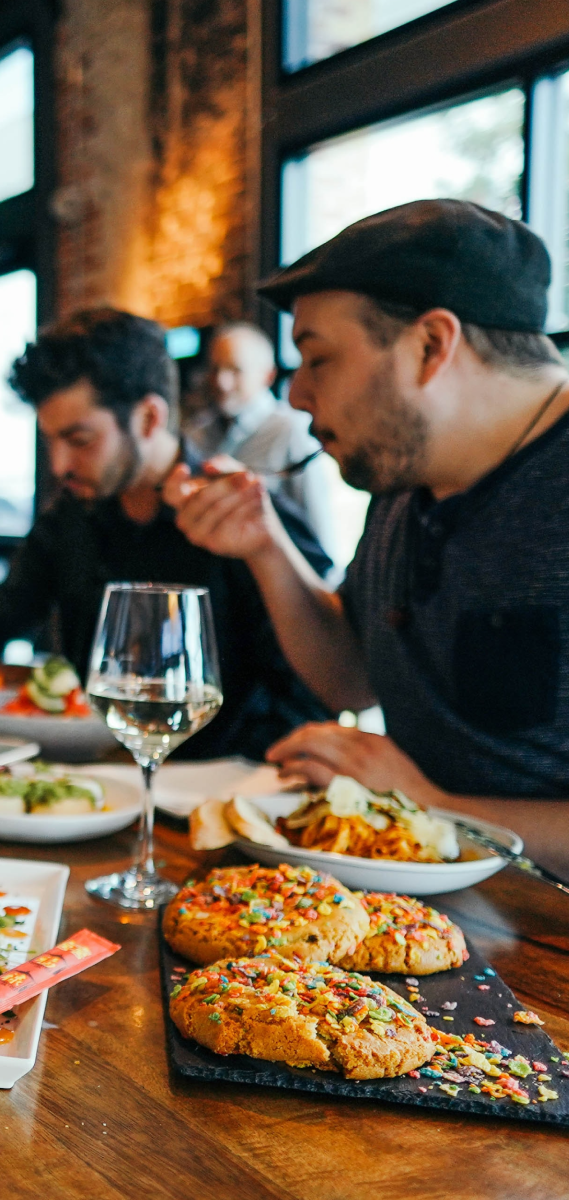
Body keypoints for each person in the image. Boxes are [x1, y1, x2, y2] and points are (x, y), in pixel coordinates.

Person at [168, 199, 569, 810]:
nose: (297, 396)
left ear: (432, 345)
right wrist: (265, 546)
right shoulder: (408, 474)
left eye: (318, 358)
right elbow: (352, 677)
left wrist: (429, 805)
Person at [0, 307, 334, 761]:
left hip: (218, 796)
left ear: (150, 418)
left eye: (80, 440)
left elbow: (315, 691)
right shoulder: (69, 519)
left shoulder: (242, 516)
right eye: (50, 441)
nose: (58, 465)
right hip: (98, 782)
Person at [185, 322, 337, 562]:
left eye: (235, 370)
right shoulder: (196, 432)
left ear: (268, 375)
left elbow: (317, 531)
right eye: (215, 369)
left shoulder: (291, 431)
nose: (221, 382)